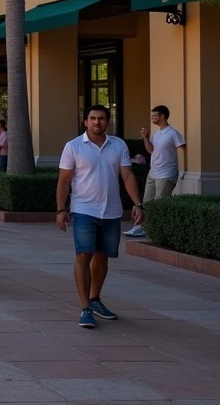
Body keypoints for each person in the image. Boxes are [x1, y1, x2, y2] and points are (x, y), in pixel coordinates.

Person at [56, 105, 145, 329]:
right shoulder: (73, 146)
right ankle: (85, 308)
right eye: (93, 118)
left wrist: (138, 204)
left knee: (103, 256)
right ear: (85, 122)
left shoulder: (118, 145)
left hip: (111, 211)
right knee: (83, 255)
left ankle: (95, 299)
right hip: (83, 209)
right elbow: (64, 180)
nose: (97, 122)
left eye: (102, 118)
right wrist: (60, 209)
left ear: (108, 121)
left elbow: (127, 175)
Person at [126, 105, 186, 238]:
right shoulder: (156, 134)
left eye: (155, 115)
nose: (152, 117)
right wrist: (145, 137)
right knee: (146, 202)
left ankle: (158, 231)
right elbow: (150, 150)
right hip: (153, 173)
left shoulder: (173, 133)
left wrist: (181, 168)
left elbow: (183, 148)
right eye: (151, 115)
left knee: (160, 203)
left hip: (167, 174)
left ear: (163, 116)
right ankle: (142, 227)